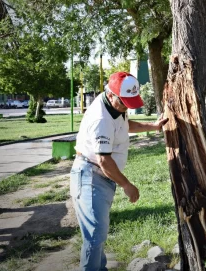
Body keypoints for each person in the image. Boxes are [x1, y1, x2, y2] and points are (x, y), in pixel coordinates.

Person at [70, 71, 168, 271]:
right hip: (91, 176)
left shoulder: (115, 105)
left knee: (98, 235)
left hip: (100, 177)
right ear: (111, 94)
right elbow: (104, 160)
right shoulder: (100, 119)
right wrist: (126, 185)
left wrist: (153, 126)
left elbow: (124, 125)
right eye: (124, 102)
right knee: (95, 236)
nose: (126, 107)